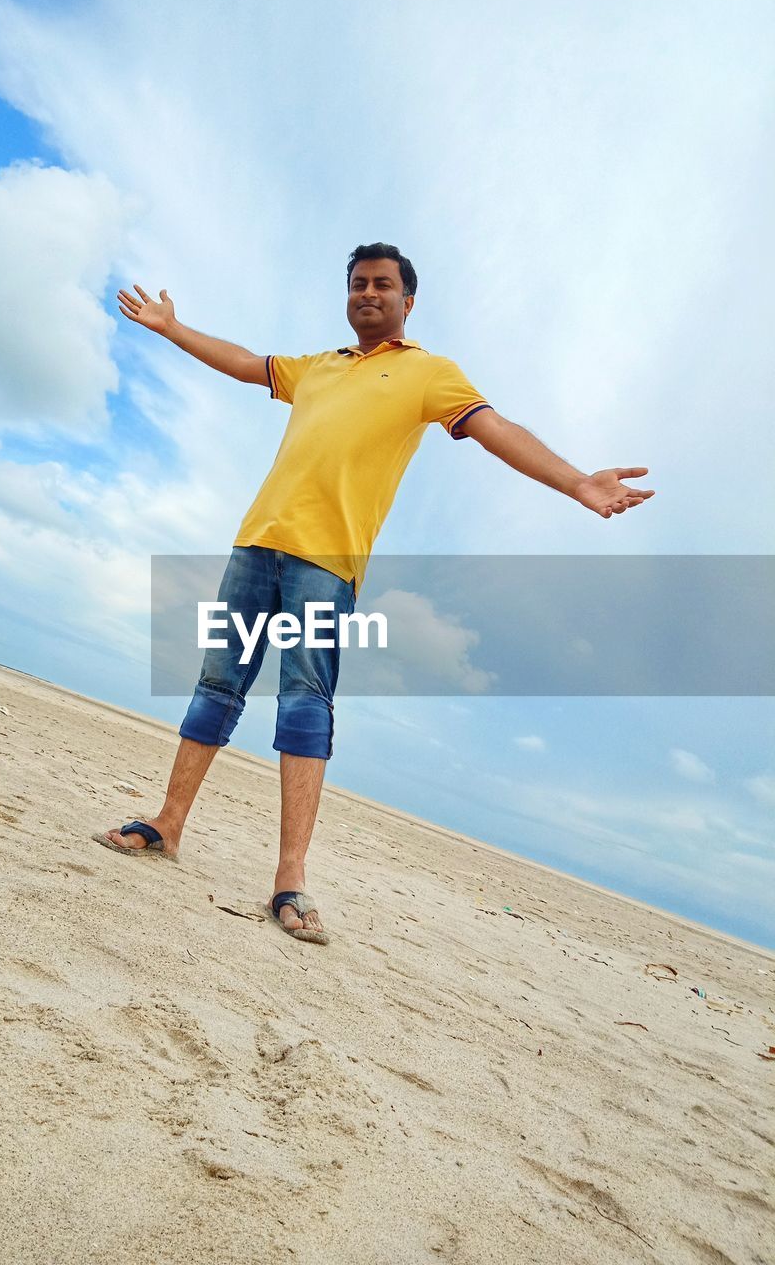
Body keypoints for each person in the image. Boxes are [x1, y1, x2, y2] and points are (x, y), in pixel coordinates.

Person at [96, 242, 654, 945]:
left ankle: (289, 879)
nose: (367, 293)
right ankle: (168, 824)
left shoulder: (428, 374)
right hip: (256, 545)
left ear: (406, 301)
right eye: (357, 283)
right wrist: (175, 329)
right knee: (218, 684)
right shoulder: (318, 367)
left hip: (327, 565)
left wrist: (575, 482)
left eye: (382, 284)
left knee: (303, 704)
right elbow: (246, 364)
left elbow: (496, 430)